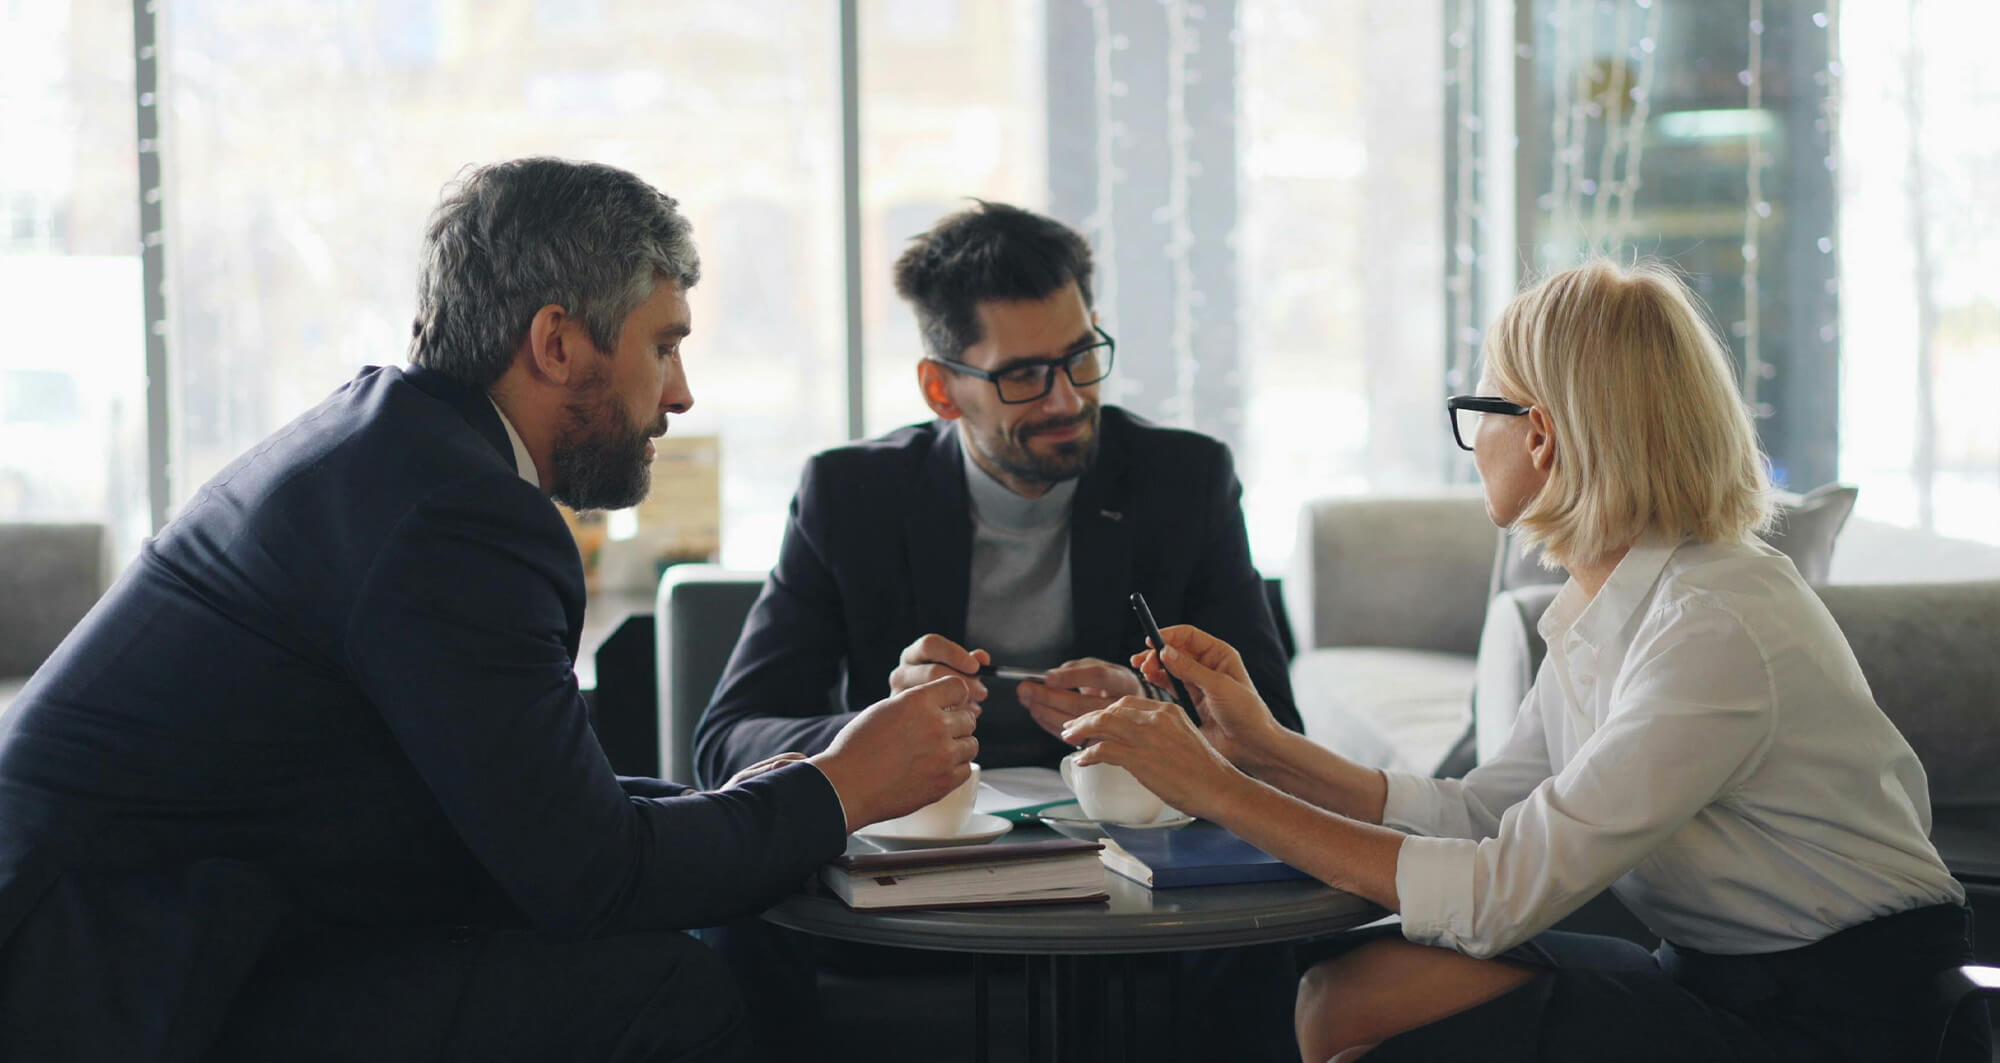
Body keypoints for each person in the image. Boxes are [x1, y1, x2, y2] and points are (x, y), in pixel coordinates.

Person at [0, 157, 979, 1063]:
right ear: (556, 342)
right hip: (122, 991)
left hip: (175, 936)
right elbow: (588, 876)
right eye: (663, 344)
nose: (679, 393)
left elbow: (527, 809)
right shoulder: (455, 519)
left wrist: (783, 790)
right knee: (663, 986)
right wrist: (839, 790)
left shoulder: (392, 448)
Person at [1063, 259, 1979, 1061]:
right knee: (1344, 990)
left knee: (1375, 1029)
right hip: (1718, 975)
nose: (1474, 441)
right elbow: (1483, 809)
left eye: (1479, 410)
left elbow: (1502, 895)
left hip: (1839, 1019)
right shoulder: (1609, 600)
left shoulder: (1713, 625)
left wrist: (1219, 790)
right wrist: (1258, 746)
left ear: (1539, 434)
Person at [691, 200, 1304, 1061]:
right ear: (942, 389)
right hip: (920, 871)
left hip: (1135, 877)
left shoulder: (1183, 481)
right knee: (736, 920)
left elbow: (1283, 735)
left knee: (1268, 947)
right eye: (1024, 375)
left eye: (1082, 357)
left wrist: (1159, 711)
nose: (1067, 399)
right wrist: (875, 735)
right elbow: (728, 742)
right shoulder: (851, 496)